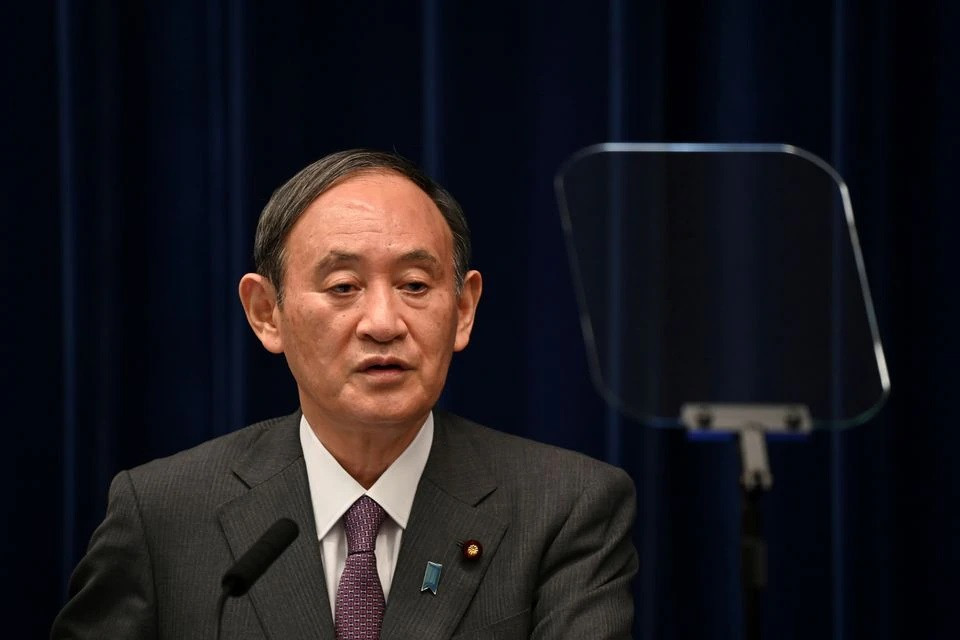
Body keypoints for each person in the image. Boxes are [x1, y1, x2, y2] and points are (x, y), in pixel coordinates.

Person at [51, 149, 638, 639]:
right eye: (343, 286)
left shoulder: (565, 508)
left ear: (462, 310)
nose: (383, 321)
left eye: (414, 284)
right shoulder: (163, 514)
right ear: (266, 313)